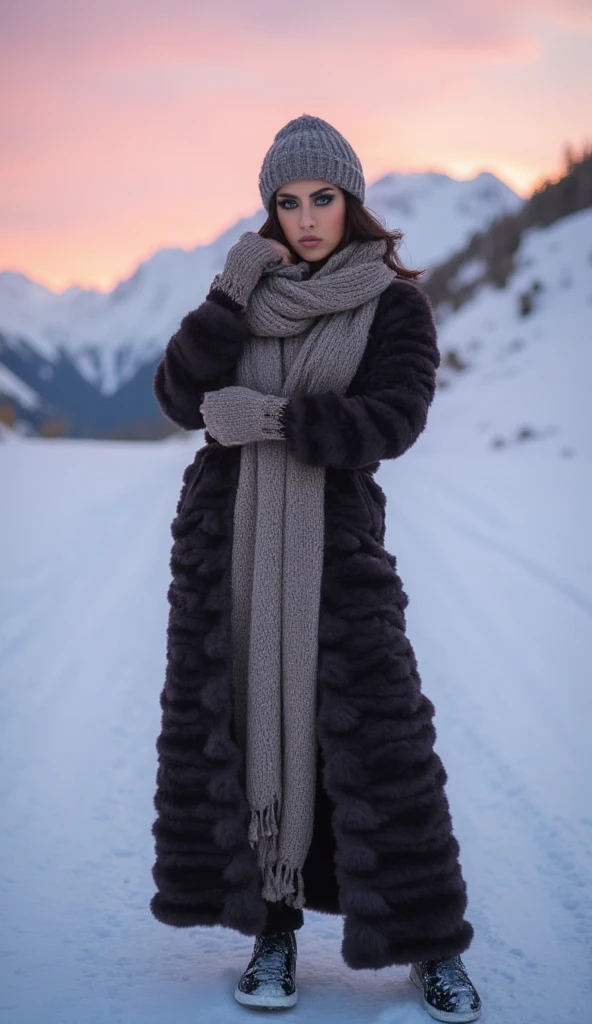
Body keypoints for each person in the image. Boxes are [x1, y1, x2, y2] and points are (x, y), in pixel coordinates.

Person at [150, 113, 482, 1022]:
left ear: (353, 202)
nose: (305, 217)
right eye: (287, 201)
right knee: (249, 724)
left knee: (380, 741)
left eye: (321, 198)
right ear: (270, 210)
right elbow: (181, 395)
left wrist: (278, 420)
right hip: (229, 554)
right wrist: (225, 298)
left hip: (337, 551)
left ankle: (430, 943)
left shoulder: (392, 304)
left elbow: (394, 420)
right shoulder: (244, 297)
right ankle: (274, 930)